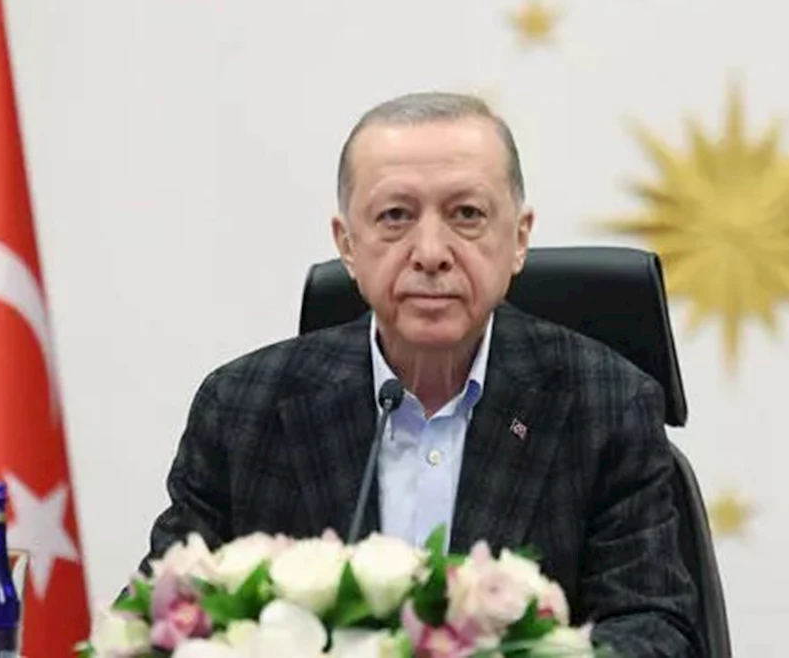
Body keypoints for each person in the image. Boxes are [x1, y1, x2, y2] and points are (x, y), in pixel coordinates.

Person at [138, 91, 703, 656]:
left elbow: (655, 629)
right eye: (395, 216)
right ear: (347, 245)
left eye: (467, 215)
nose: (431, 252)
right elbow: (159, 618)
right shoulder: (242, 409)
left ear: (519, 238)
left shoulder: (607, 405)